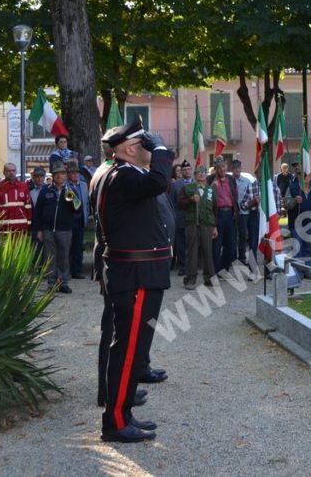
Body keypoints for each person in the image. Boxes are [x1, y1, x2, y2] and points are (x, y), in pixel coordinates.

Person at [94, 116, 174, 443]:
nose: (150, 149)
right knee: (126, 350)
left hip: (137, 272)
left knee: (129, 348)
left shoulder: (118, 173)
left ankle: (123, 414)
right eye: (145, 144)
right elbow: (159, 181)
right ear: (129, 148)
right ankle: (115, 422)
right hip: (135, 274)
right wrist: (162, 150)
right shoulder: (124, 175)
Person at [31, 160, 76, 294]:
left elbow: (77, 209)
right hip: (48, 230)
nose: (59, 176)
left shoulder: (70, 190)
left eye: (62, 173)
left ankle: (63, 283)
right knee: (49, 257)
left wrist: (71, 197)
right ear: (52, 176)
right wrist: (38, 230)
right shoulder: (46, 191)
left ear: (65, 175)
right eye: (56, 174)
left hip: (64, 230)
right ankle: (51, 283)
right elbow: (38, 212)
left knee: (63, 256)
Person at [178, 164, 218, 289]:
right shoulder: (187, 188)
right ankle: (190, 280)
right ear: (195, 175)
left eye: (203, 172)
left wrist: (215, 227)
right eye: (199, 172)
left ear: (206, 174)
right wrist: (190, 200)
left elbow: (215, 209)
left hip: (207, 224)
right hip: (192, 224)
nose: (201, 174)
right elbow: (179, 204)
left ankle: (209, 279)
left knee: (208, 252)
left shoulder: (211, 190)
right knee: (192, 252)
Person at [207, 157, 239, 274]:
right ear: (215, 169)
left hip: (229, 214)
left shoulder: (231, 179)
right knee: (216, 246)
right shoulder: (210, 180)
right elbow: (208, 200)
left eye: (223, 166)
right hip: (217, 215)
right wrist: (213, 223)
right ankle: (215, 271)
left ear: (226, 167)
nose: (222, 169)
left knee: (230, 246)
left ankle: (224, 268)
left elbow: (235, 195)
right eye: (219, 167)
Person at [288, 170, 311, 278]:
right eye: (305, 175)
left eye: (309, 175)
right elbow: (286, 203)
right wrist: (294, 200)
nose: (307, 177)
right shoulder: (293, 188)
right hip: (297, 224)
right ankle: (299, 271)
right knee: (298, 249)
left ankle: (307, 270)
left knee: (308, 248)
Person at [0, 162, 32, 236]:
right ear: (4, 172)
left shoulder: (24, 187)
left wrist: (29, 224)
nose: (11, 173)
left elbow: (28, 207)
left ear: (16, 172)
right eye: (8, 171)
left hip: (20, 228)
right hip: (2, 228)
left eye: (13, 170)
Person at [231, 160, 259, 269]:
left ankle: (242, 256)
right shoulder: (229, 181)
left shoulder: (247, 181)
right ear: (232, 169)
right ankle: (233, 256)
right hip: (233, 211)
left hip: (245, 212)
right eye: (235, 168)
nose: (237, 170)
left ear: (241, 169)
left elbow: (252, 196)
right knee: (234, 235)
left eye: (238, 168)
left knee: (244, 234)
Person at [66, 160, 90, 279]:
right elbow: (73, 203)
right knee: (67, 246)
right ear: (68, 174)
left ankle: (77, 270)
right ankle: (68, 269)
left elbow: (86, 203)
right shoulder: (66, 186)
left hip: (81, 220)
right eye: (72, 173)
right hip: (69, 220)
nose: (75, 175)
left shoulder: (84, 185)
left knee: (78, 246)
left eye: (76, 172)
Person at [170, 161, 193, 275]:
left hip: (194, 219)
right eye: (184, 170)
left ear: (191, 170)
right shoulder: (175, 185)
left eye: (188, 169)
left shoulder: (197, 182)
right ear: (181, 172)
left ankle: (192, 266)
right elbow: (171, 202)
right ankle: (183, 266)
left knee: (193, 243)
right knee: (181, 244)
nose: (186, 171)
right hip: (180, 218)